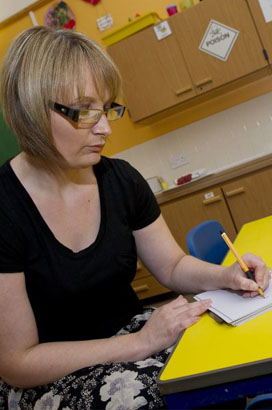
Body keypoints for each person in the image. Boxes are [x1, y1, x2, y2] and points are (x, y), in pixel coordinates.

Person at [0, 26, 269, 410]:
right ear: (30, 110)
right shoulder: (5, 208)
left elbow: (173, 266)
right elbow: (17, 363)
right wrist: (140, 343)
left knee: (217, 361)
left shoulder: (120, 178)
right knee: (165, 396)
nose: (106, 128)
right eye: (84, 112)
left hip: (129, 333)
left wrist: (225, 275)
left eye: (107, 108)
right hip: (48, 374)